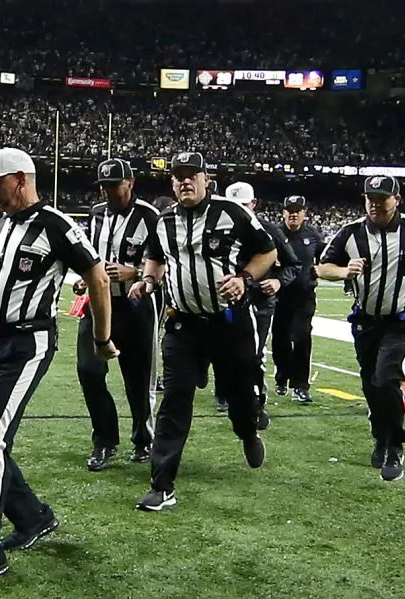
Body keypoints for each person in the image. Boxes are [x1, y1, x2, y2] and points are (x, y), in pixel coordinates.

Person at [0, 147, 117, 583]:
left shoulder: (57, 225)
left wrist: (102, 339)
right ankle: (32, 517)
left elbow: (98, 276)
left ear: (19, 179)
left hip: (25, 344)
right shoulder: (5, 224)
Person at [128, 151, 277, 512]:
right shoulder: (164, 221)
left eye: (192, 175)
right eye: (178, 176)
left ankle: (247, 432)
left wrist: (244, 279)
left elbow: (267, 253)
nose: (185, 182)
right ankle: (161, 485)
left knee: (241, 396)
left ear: (206, 178)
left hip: (228, 323)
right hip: (183, 326)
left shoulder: (232, 213)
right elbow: (156, 256)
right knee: (175, 401)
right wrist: (148, 281)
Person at [317, 175, 405, 482]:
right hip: (365, 321)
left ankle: (394, 446)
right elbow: (322, 266)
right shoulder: (350, 232)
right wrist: (342, 271)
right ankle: (380, 435)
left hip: (401, 318)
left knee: (387, 377)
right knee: (371, 384)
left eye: (383, 198)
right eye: (371, 198)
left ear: (397, 199)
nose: (376, 204)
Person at [75, 158, 159, 471]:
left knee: (136, 379)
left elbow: (164, 262)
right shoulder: (96, 213)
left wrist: (133, 272)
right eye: (105, 186)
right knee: (89, 370)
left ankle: (142, 437)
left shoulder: (151, 216)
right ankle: (105, 439)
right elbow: (89, 255)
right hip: (98, 304)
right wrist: (86, 278)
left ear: (131, 182)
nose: (109, 192)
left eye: (115, 185)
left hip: (135, 307)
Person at [217, 182, 301, 429]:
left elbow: (292, 264)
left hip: (259, 302)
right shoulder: (219, 227)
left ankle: (256, 403)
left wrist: (277, 280)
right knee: (224, 351)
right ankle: (224, 392)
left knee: (254, 354)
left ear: (253, 204)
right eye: (235, 206)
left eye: (244, 205)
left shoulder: (268, 230)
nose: (240, 211)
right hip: (227, 301)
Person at [271, 196, 325, 403]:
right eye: (289, 210)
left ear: (305, 213)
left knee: (302, 337)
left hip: (304, 296)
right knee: (280, 340)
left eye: (298, 210)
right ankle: (282, 376)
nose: (293, 214)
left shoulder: (313, 236)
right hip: (279, 295)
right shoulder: (273, 234)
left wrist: (321, 270)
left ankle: (301, 385)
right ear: (283, 212)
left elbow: (326, 256)